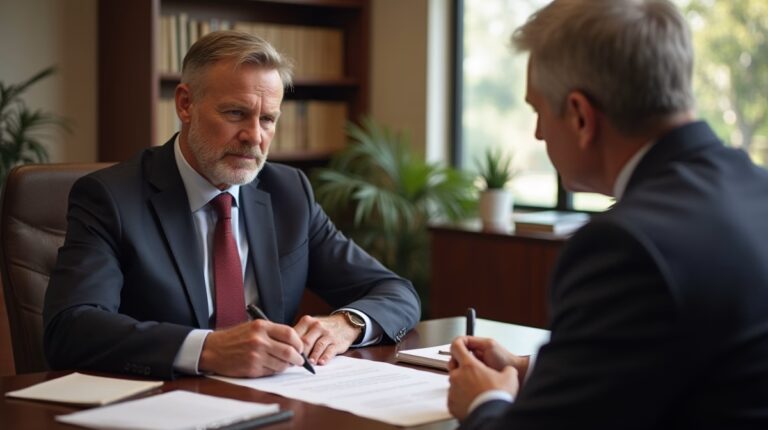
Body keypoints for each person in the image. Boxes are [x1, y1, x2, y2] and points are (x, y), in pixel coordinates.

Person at [447, 0, 768, 428]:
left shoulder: (626, 246)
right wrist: (533, 370)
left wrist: (482, 401)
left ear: (580, 116)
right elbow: (694, 366)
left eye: (537, 110)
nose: (539, 132)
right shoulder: (756, 189)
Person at [43, 31, 420, 380]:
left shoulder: (289, 193)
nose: (254, 136)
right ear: (186, 104)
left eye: (268, 119)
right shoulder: (111, 197)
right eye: (235, 113)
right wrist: (205, 349)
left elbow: (395, 291)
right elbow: (72, 327)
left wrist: (347, 323)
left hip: (275, 401)